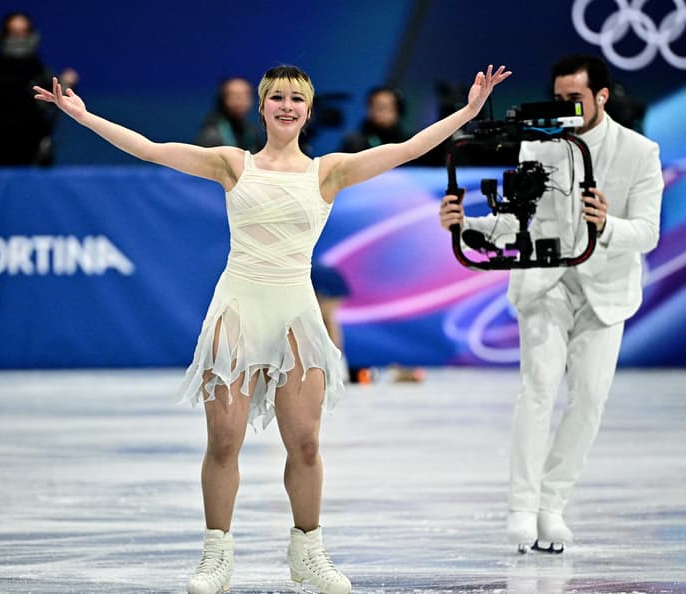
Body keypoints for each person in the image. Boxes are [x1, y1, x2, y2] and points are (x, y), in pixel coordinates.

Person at [35, 62, 511, 592]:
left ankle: (308, 552)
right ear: (262, 108)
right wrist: (84, 117)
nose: (287, 106)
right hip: (238, 306)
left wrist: (468, 112)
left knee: (305, 443)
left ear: (308, 112)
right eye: (277, 97)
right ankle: (216, 556)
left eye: (296, 99)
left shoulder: (328, 172)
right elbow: (150, 148)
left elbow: (406, 149)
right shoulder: (231, 163)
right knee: (224, 440)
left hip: (296, 312)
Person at [439, 54, 663, 553]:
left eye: (574, 100)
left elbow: (647, 233)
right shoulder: (538, 146)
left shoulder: (639, 152)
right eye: (558, 99)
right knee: (538, 388)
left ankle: (551, 504)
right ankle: (521, 508)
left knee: (589, 399)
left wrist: (606, 225)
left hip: (606, 290)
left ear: (601, 96)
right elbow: (521, 223)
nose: (563, 109)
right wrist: (466, 224)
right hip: (545, 283)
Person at [0, 11, 77, 167]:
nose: (18, 39)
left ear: (32, 35)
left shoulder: (42, 75)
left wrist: (66, 86)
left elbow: (64, 101)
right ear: (3, 36)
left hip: (32, 159)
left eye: (23, 33)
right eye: (13, 33)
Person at [195, 77, 263, 153]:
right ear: (223, 99)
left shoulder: (253, 132)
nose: (241, 101)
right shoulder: (211, 134)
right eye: (235, 96)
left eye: (246, 96)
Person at [340, 86, 411, 155]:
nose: (377, 111)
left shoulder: (407, 143)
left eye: (384, 107)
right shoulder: (355, 142)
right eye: (373, 105)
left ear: (398, 111)